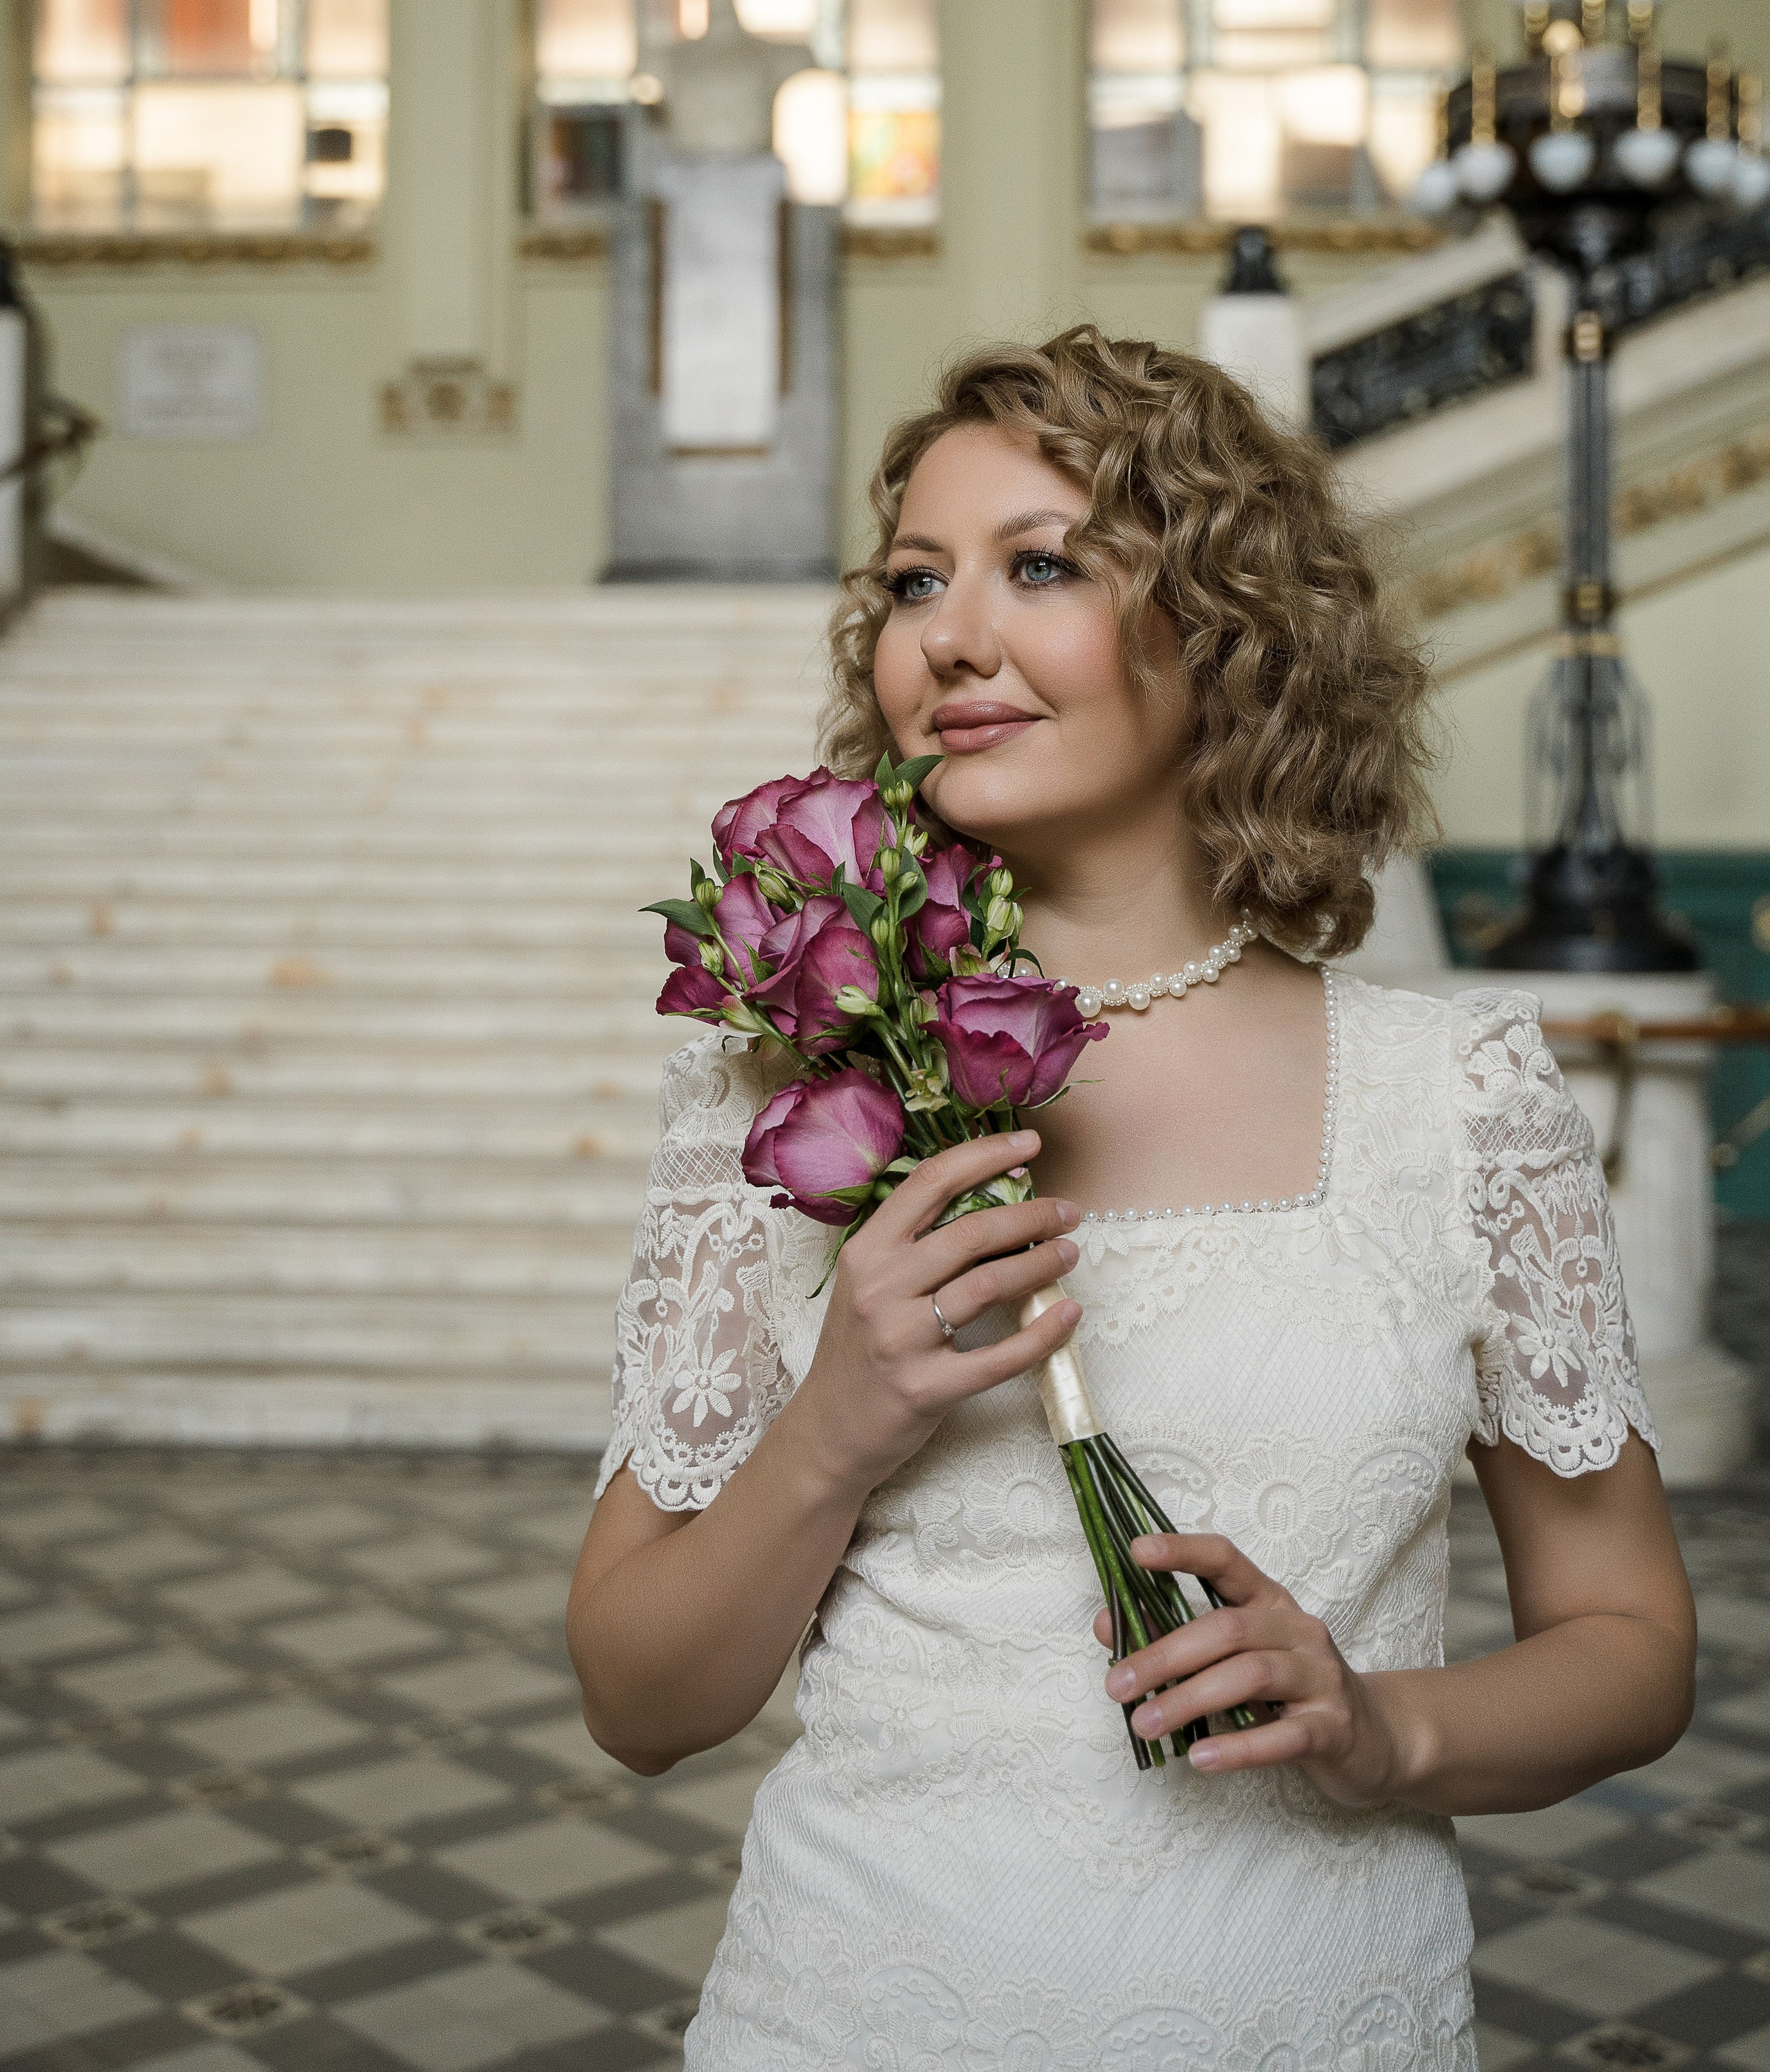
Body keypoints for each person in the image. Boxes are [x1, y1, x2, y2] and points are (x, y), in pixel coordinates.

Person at [568, 326, 1695, 2069]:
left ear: (1229, 632)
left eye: (1041, 566)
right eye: (913, 582)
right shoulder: (782, 1097)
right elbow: (638, 1702)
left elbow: (1627, 1643)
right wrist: (834, 1425)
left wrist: (1379, 1729)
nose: (949, 638)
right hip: (851, 2015)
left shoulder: (1454, 1100)